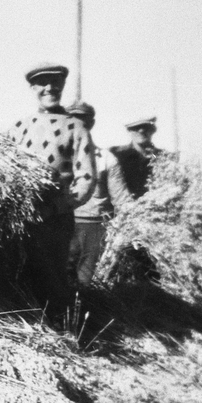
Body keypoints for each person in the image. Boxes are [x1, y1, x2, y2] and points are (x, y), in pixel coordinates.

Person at [0, 63, 96, 326]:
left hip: (54, 219)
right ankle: (8, 330)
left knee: (50, 280)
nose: (49, 88)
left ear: (62, 86)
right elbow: (2, 168)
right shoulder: (19, 126)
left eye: (55, 82)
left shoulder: (76, 127)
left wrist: (58, 206)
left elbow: (86, 178)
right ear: (33, 88)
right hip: (16, 219)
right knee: (9, 276)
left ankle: (56, 337)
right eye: (42, 83)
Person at [65, 102, 117, 289]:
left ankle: (79, 313)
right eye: (73, 122)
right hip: (64, 221)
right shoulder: (60, 155)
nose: (79, 128)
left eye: (84, 123)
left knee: (84, 278)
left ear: (91, 124)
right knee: (60, 273)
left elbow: (119, 195)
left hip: (93, 226)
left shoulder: (105, 158)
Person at [108, 116, 161, 205]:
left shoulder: (162, 157)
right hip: (123, 209)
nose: (141, 131)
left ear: (153, 131)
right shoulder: (117, 155)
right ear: (129, 131)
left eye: (145, 127)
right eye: (136, 128)